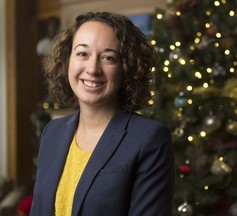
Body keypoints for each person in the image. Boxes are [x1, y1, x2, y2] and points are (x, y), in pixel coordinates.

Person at [30, 11, 175, 216]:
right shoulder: (51, 132)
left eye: (108, 57)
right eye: (82, 53)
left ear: (126, 68)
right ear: (67, 60)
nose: (92, 68)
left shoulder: (149, 139)